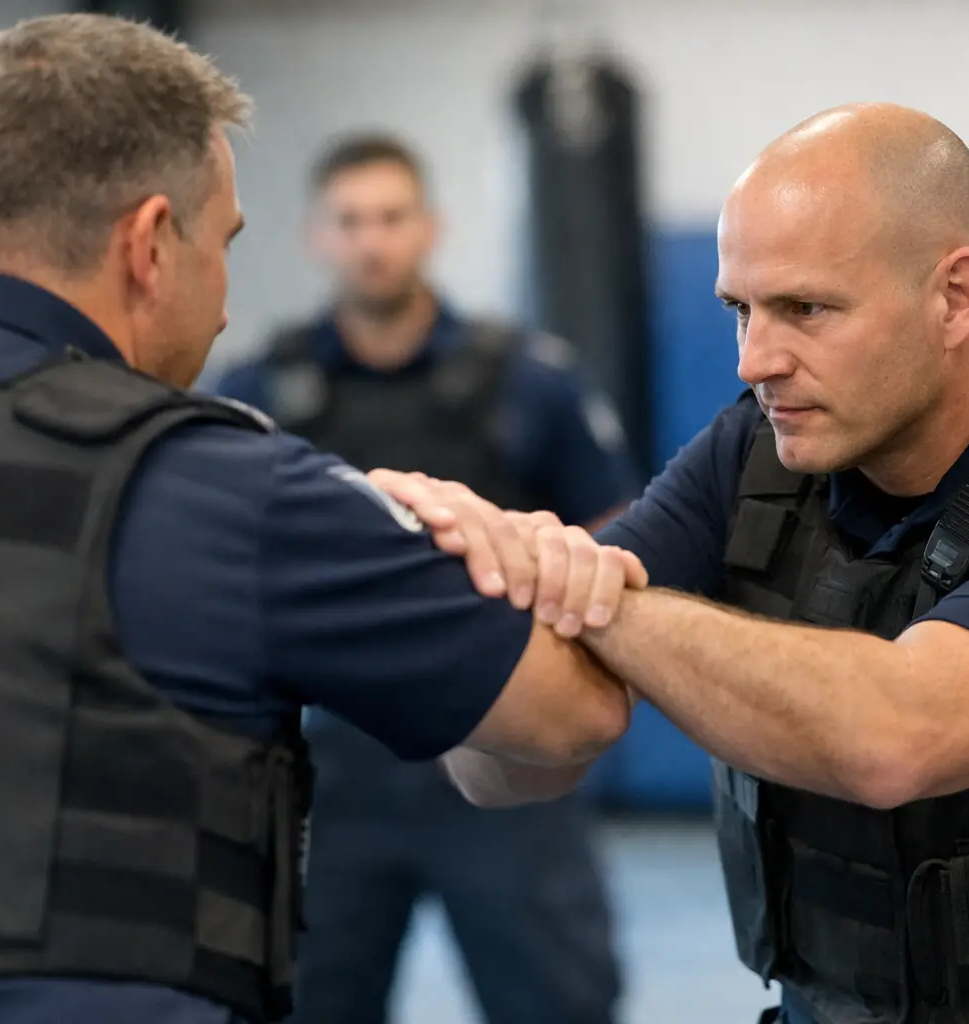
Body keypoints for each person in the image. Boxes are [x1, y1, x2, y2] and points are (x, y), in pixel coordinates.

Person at [372, 103, 969, 1024]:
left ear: (956, 295)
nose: (755, 359)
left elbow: (894, 738)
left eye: (805, 309)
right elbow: (521, 758)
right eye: (740, 309)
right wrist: (483, 598)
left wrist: (601, 597)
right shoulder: (757, 453)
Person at [0, 14, 647, 1024]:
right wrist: (506, 553)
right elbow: (573, 710)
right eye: (223, 241)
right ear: (152, 242)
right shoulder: (232, 477)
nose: (227, 299)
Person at [212, 133, 635, 1024]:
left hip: (501, 755)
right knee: (306, 1004)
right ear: (317, 238)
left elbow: (614, 544)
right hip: (324, 776)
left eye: (392, 217)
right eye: (351, 220)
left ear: (430, 228)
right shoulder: (257, 391)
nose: (373, 240)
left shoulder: (533, 383)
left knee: (558, 1003)